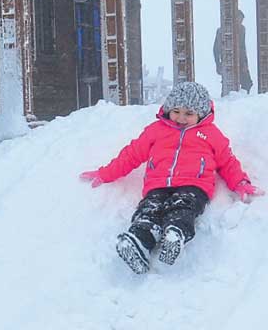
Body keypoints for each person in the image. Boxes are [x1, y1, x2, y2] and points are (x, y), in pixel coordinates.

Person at [79, 81, 263, 274]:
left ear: (201, 114)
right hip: (158, 185)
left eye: (189, 114)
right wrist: (105, 174)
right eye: (176, 111)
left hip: (194, 185)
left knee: (183, 207)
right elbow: (131, 155)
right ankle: (139, 241)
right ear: (168, 109)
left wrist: (241, 183)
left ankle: (175, 235)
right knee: (149, 210)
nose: (181, 118)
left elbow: (227, 162)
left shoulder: (211, 135)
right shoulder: (156, 130)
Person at [214, 10, 253, 95]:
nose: (240, 22)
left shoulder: (242, 29)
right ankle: (227, 102)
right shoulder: (221, 31)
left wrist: (245, 63)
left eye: (241, 20)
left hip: (240, 60)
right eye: (239, 19)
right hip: (227, 61)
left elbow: (243, 48)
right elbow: (215, 49)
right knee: (228, 86)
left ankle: (243, 100)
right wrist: (218, 64)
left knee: (247, 83)